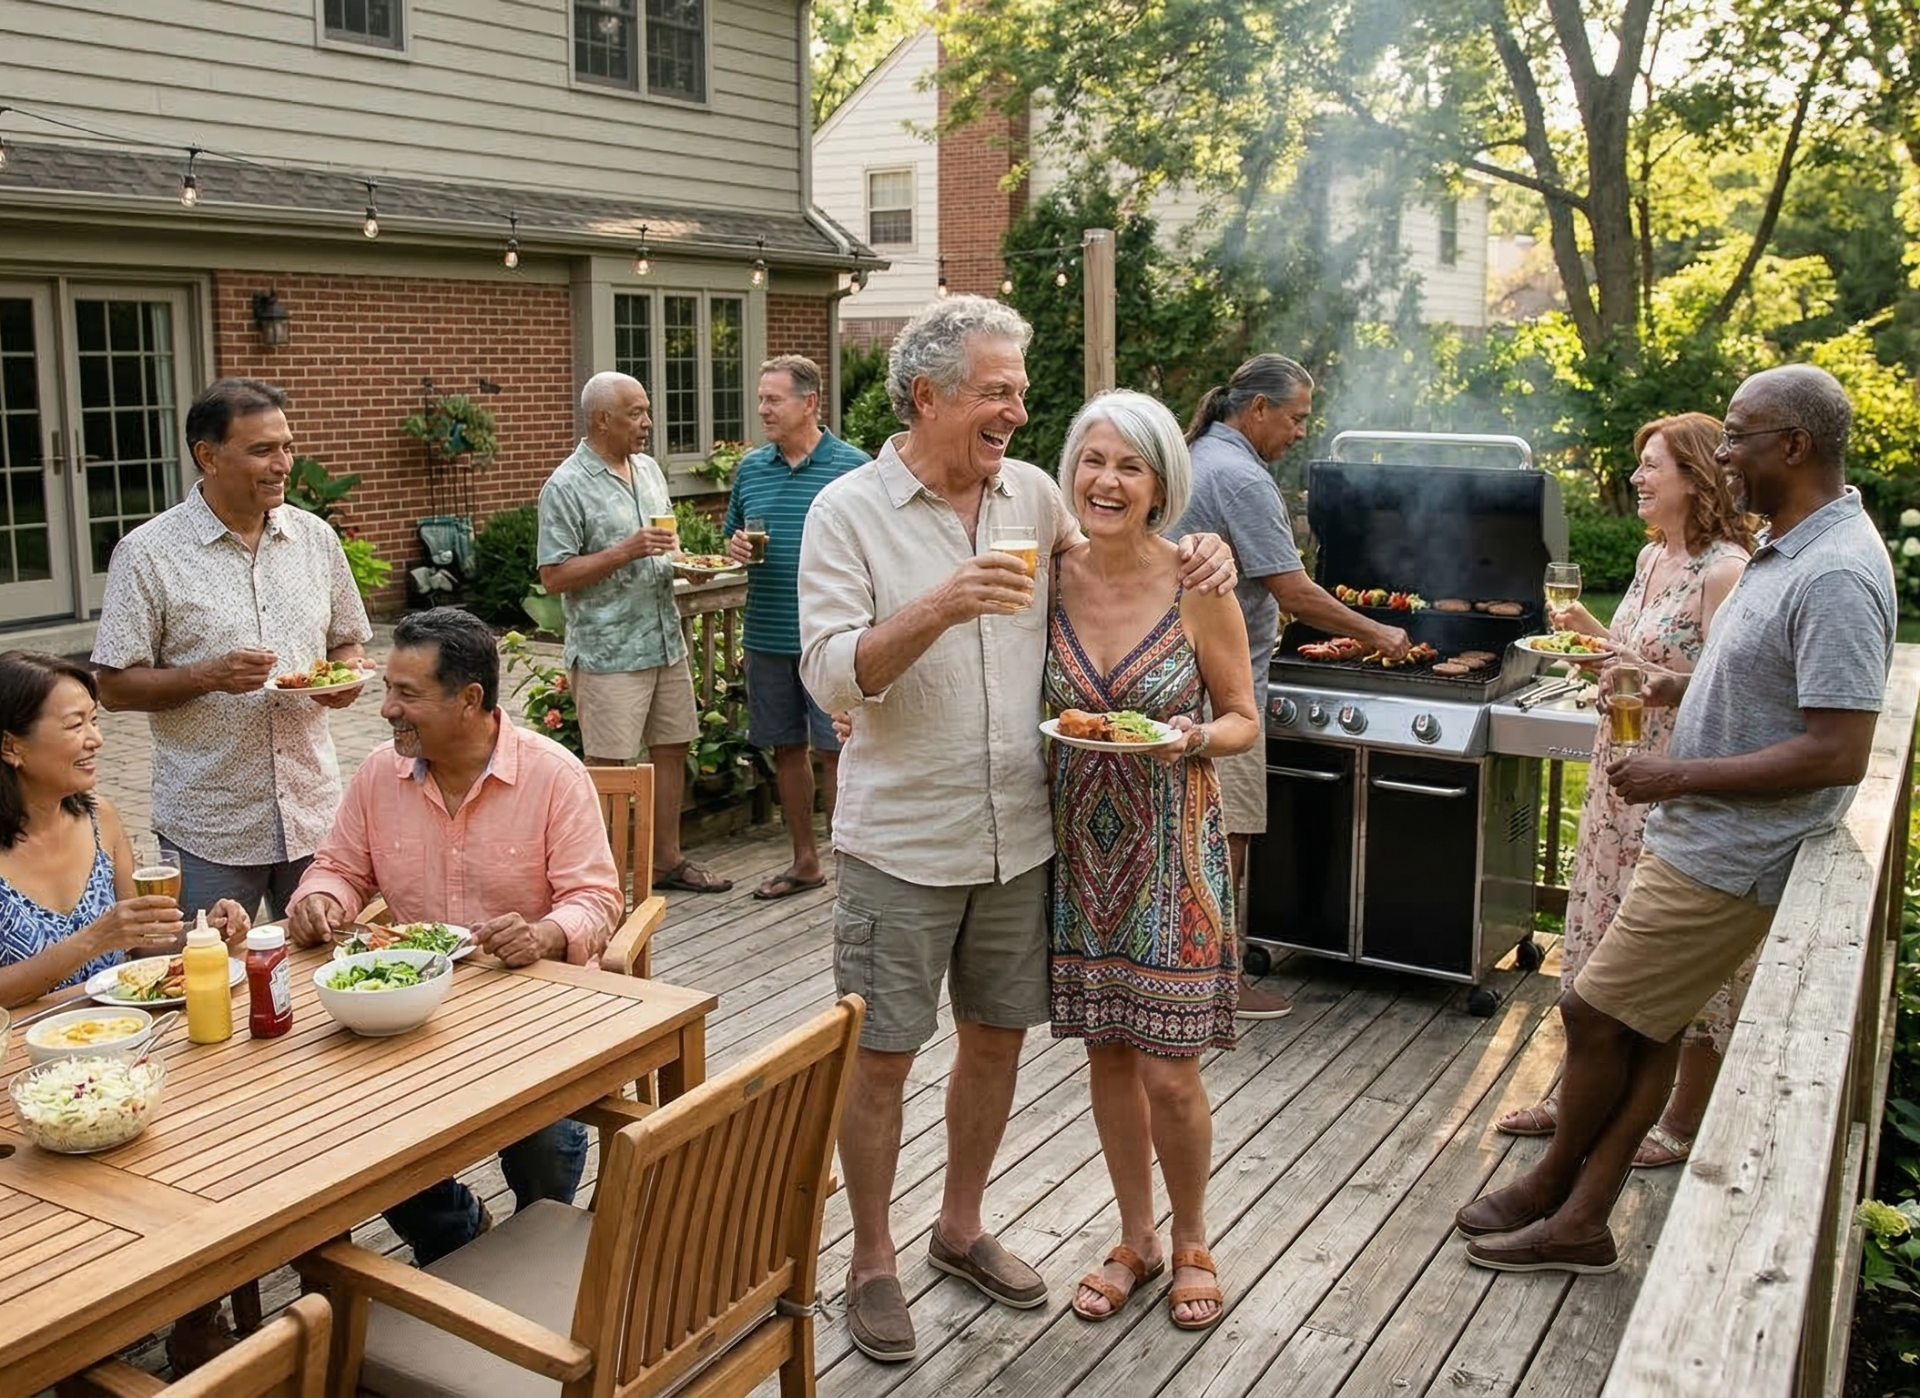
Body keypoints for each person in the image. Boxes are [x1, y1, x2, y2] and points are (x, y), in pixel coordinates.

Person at [798, 295, 1237, 1364]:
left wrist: (1208, 554)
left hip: (1025, 839)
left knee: (994, 1045)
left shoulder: (1033, 495)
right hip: (900, 839)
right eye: (997, 392)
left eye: (1021, 393)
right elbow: (827, 676)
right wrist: (942, 605)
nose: (1016, 410)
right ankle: (871, 1261)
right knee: (884, 1058)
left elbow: (1124, 551)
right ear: (928, 395)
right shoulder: (847, 513)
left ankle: (958, 1227)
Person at [1458, 364, 1896, 1274]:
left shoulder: (1841, 571)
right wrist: (1674, 683)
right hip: (1702, 833)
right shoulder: (1792, 548)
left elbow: (1839, 748)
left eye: (1739, 434)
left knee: (1590, 1008)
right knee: (1646, 1025)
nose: (1726, 451)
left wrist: (1678, 771)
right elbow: (1771, 690)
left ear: (1795, 445)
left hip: (1731, 851)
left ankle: (1556, 1188)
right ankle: (1578, 1213)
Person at [286, 608, 622, 1265]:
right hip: (409, 1015)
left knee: (546, 1150)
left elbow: (596, 898)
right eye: (388, 689)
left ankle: (537, 1247)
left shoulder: (554, 776)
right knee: (357, 1133)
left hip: (533, 1013)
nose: (385, 710)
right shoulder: (378, 776)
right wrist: (319, 900)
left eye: (406, 694)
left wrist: (550, 934)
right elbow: (340, 868)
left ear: (471, 700)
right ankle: (458, 1234)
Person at [1047, 393, 1258, 1331]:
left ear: (1161, 483)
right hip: (1081, 865)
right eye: (1094, 461)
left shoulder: (1198, 581)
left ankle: (1193, 1237)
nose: (1107, 481)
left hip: (1174, 857)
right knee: (1107, 1054)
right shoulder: (1046, 573)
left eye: (1130, 466)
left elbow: (1246, 718)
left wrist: (1195, 738)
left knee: (1170, 1068)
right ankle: (1133, 1236)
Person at [1496, 413, 1752, 1167]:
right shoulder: (1650, 560)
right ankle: (1574, 1090)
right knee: (1598, 937)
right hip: (1619, 772)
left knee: (1683, 962)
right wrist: (1588, 638)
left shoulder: (1727, 571)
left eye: (1652, 467)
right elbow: (1635, 660)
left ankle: (1680, 1118)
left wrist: (1627, 666)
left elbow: (1721, 689)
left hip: (1681, 783)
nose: (1638, 479)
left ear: (1697, 476)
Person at [1173, 354, 1411, 1020]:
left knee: (1189, 835)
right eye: (1297, 416)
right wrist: (1380, 635)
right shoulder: (1242, 477)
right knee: (1228, 835)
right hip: (1222, 687)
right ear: (1257, 410)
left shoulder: (1193, 456)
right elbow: (1293, 591)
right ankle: (1219, 983)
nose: (1302, 431)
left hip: (1176, 673)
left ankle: (1181, 968)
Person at [91, 377, 373, 923]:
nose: (283, 464)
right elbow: (114, 686)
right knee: (211, 976)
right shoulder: (147, 553)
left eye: (287, 446)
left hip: (314, 813)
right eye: (262, 450)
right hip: (211, 827)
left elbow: (345, 639)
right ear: (208, 456)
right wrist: (208, 676)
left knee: (329, 969)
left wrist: (341, 680)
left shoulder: (316, 540)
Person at [537, 371, 730, 893]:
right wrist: (625, 549)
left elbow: (663, 550)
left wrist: (689, 568)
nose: (647, 423)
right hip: (608, 650)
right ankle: (599, 880)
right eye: (637, 413)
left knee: (672, 745)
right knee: (609, 763)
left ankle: (666, 860)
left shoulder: (647, 471)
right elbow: (553, 575)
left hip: (663, 637)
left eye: (647, 411)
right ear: (603, 419)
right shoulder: (566, 485)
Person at [0, 652, 252, 1009]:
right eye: (75, 725)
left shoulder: (99, 818)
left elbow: (141, 942)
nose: (96, 739)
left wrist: (203, 934)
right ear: (11, 746)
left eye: (94, 720)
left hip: (120, 1031)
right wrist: (94, 940)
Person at [722, 355, 868, 900]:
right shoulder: (751, 469)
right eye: (761, 399)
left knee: (838, 751)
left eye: (773, 399)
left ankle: (850, 866)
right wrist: (734, 547)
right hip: (768, 631)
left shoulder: (853, 467)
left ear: (809, 403)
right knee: (785, 748)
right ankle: (804, 862)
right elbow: (732, 535)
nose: (763, 409)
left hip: (830, 637)